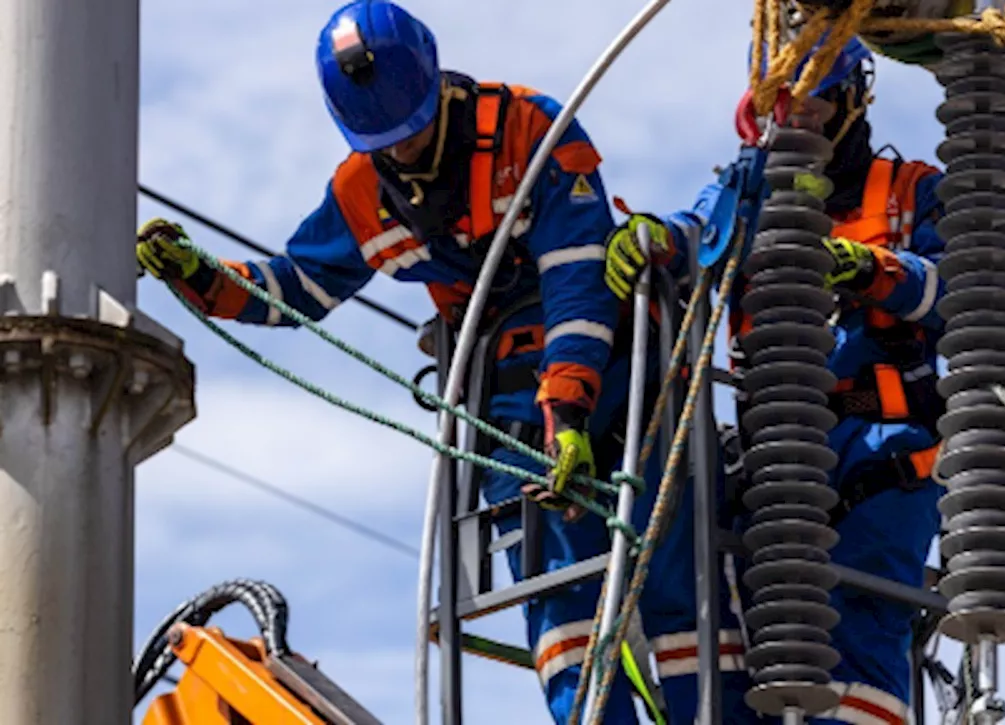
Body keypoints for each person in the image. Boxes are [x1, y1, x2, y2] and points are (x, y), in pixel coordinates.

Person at [135, 2, 757, 723]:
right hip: (510, 404)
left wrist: (570, 401)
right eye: (385, 142)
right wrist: (203, 275)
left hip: (626, 370)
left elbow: (577, 274)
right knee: (559, 602)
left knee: (682, 586)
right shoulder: (362, 192)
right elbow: (296, 287)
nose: (403, 152)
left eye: (412, 131)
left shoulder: (532, 128)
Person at [607, 36, 947, 724]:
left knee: (860, 629)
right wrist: (654, 240)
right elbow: (696, 232)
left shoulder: (911, 191)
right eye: (783, 108)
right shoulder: (747, 190)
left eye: (817, 107)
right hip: (777, 456)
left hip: (883, 452)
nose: (800, 125)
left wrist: (874, 269)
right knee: (714, 603)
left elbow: (964, 297)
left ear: (855, 100)